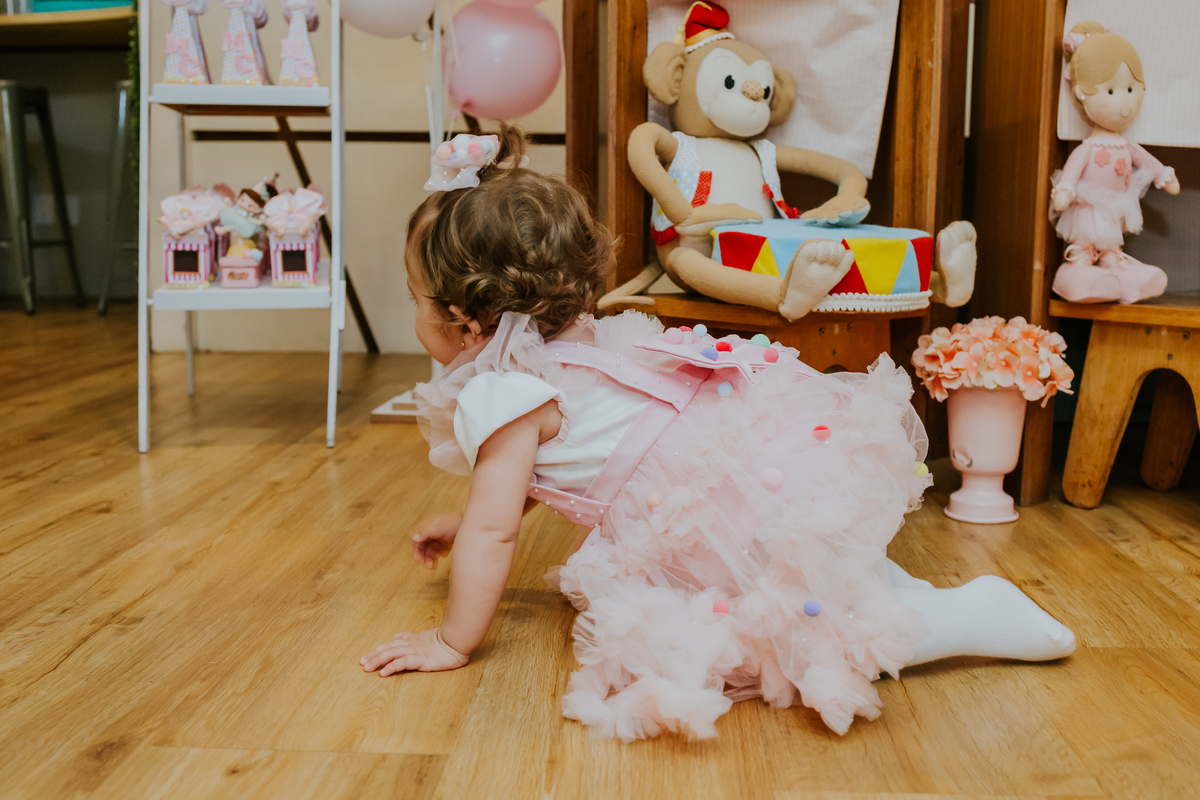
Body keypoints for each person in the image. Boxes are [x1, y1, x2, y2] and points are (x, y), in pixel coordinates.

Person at [361, 126, 1077, 741]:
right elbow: (525, 487)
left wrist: (453, 641)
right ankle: (902, 588)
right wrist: (467, 517)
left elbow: (498, 534)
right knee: (820, 579)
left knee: (804, 639)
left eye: (417, 299)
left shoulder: (501, 391)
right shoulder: (574, 341)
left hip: (712, 516)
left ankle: (965, 618)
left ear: (468, 320)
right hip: (752, 466)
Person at [1050, 21, 1180, 304]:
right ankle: (1079, 267)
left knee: (1111, 244)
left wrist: (1163, 175)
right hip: (1087, 205)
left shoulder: (1126, 145)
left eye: (1132, 89)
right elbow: (1072, 173)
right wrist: (1064, 189)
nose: (1125, 103)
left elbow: (1146, 161)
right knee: (1085, 241)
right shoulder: (1088, 148)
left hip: (1115, 207)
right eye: (1110, 92)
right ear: (1083, 93)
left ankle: (1113, 266)